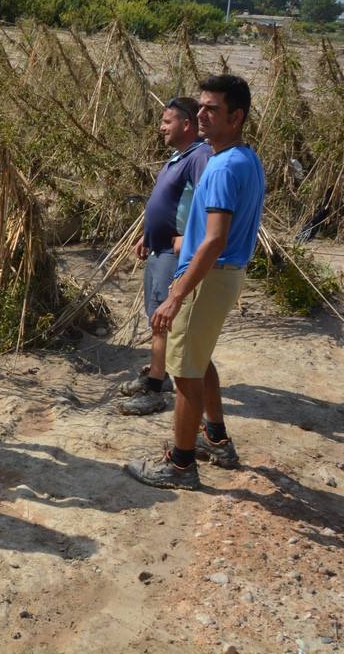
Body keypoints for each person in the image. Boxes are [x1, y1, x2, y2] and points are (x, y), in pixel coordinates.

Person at [126, 74, 264, 490]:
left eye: (212, 109)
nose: (201, 114)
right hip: (221, 275)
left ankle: (181, 465)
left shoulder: (222, 167)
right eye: (200, 106)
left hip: (208, 276)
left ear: (236, 116)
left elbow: (215, 238)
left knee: (184, 372)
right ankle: (216, 438)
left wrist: (177, 293)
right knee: (199, 360)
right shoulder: (245, 157)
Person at [118, 97, 212, 416]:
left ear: (187, 124)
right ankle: (158, 373)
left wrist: (189, 237)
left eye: (167, 121)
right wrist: (148, 234)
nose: (161, 126)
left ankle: (156, 388)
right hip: (159, 249)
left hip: (175, 255)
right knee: (156, 316)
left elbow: (208, 200)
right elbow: (171, 201)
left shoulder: (199, 155)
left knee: (162, 317)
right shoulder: (178, 155)